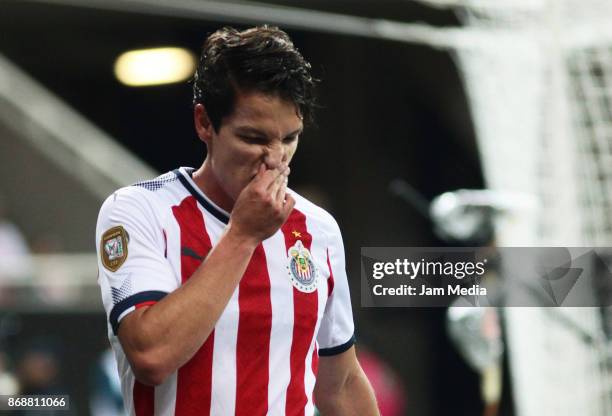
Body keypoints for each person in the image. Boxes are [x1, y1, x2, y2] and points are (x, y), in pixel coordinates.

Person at [96, 26, 379, 415]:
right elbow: (152, 356)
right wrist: (243, 234)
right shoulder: (137, 211)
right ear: (204, 123)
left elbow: (341, 383)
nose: (275, 158)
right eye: (253, 138)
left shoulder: (318, 229)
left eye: (289, 138)